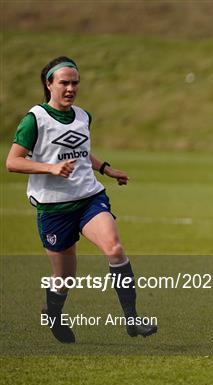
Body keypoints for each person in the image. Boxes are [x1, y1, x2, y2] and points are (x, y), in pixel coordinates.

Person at [5, 56, 157, 343]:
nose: (70, 88)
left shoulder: (83, 116)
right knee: (64, 280)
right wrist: (50, 168)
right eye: (64, 82)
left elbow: (81, 151)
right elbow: (12, 162)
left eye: (75, 83)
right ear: (49, 84)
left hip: (89, 197)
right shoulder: (35, 119)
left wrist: (106, 169)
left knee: (114, 249)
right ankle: (53, 314)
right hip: (54, 209)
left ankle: (133, 319)